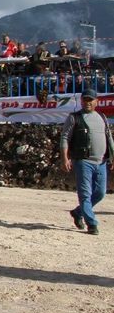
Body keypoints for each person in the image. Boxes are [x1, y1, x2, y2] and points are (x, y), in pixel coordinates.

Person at [60, 89, 114, 236]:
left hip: (101, 162)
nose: (87, 102)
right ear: (81, 101)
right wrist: (65, 158)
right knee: (85, 194)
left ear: (96, 101)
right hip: (83, 161)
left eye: (90, 100)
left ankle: (78, 212)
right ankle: (92, 223)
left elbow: (109, 138)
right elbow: (65, 137)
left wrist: (112, 156)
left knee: (100, 193)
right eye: (85, 100)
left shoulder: (102, 117)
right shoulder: (74, 117)